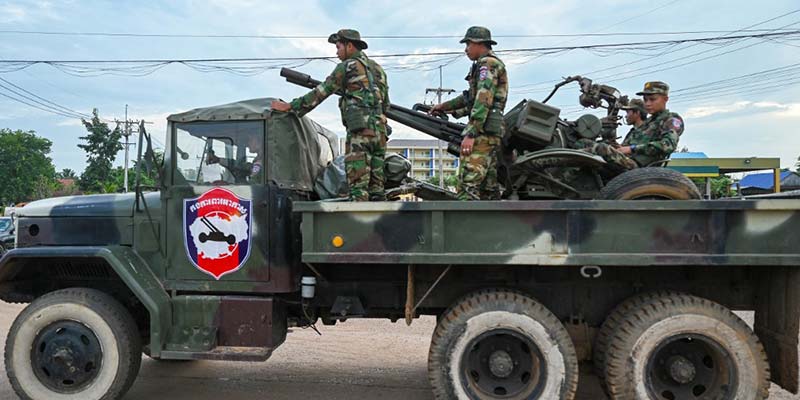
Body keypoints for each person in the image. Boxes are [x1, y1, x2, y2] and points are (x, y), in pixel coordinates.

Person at [271, 29, 387, 201]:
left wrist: (290, 106)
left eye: (339, 47)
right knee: (377, 190)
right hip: (380, 134)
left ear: (349, 45)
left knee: (358, 190)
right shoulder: (378, 69)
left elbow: (321, 92)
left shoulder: (347, 67)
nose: (336, 52)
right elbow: (385, 104)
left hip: (360, 134)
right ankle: (381, 226)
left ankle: (360, 227)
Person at [429, 26, 508, 200]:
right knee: (488, 189)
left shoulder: (487, 64)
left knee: (468, 185)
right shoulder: (486, 64)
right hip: (489, 132)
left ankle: (464, 225)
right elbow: (470, 98)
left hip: (482, 133)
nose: (466, 49)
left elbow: (483, 99)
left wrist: (472, 133)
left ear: (479, 44)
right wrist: (444, 106)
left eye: (468, 44)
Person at [583, 82, 683, 171]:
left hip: (640, 167)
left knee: (601, 148)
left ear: (665, 99)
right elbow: (627, 147)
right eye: (645, 100)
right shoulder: (648, 123)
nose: (647, 104)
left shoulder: (671, 119)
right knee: (585, 143)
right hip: (629, 160)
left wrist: (631, 148)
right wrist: (619, 147)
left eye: (652, 99)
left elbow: (667, 145)